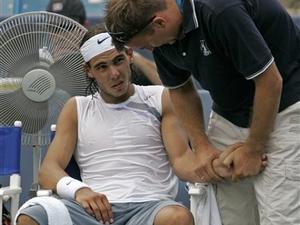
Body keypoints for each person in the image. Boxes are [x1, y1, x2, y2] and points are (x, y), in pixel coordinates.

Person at [104, 1, 300, 225]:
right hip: (229, 112)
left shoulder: (221, 11)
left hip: (284, 106)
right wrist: (202, 147)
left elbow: (270, 81)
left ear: (159, 22)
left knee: (281, 218)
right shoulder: (161, 35)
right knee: (230, 218)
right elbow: (181, 90)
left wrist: (254, 149)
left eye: (146, 46)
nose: (149, 50)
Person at [15, 25, 233, 225]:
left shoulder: (161, 98)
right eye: (102, 67)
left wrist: (217, 169)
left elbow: (181, 160)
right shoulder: (76, 108)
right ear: (89, 71)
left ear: (129, 56)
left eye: (118, 61)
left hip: (149, 208)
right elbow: (48, 170)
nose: (114, 73)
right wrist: (79, 190)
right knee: (30, 217)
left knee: (177, 217)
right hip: (90, 211)